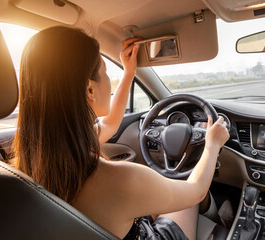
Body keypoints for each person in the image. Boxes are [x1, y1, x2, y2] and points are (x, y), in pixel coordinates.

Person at [13, 26, 229, 240]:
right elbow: (196, 190)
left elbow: (111, 124)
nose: (110, 81)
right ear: (89, 90)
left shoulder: (35, 162)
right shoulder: (123, 180)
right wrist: (212, 143)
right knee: (186, 194)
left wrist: (129, 73)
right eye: (106, 73)